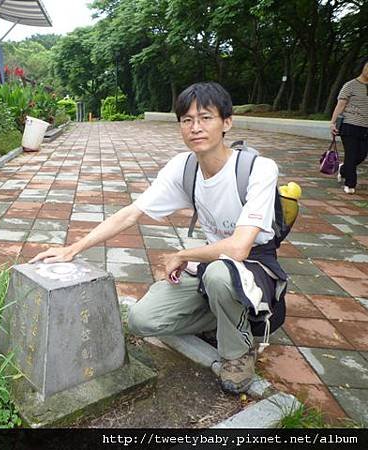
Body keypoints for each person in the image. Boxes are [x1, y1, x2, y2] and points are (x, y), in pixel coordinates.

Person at [30, 82, 287, 394]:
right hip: (213, 265)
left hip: (254, 264)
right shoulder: (184, 167)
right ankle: (224, 316)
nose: (196, 127)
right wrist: (74, 248)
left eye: (206, 118)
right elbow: (131, 213)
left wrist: (183, 256)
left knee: (221, 272)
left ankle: (238, 350)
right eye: (187, 120)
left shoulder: (258, 169)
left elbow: (239, 246)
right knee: (142, 319)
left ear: (227, 123)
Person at [330, 56, 368, 194]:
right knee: (351, 155)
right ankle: (350, 184)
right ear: (363, 66)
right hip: (349, 125)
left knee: (362, 155)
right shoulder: (350, 85)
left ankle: (343, 169)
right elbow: (340, 105)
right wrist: (333, 123)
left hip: (365, 128)